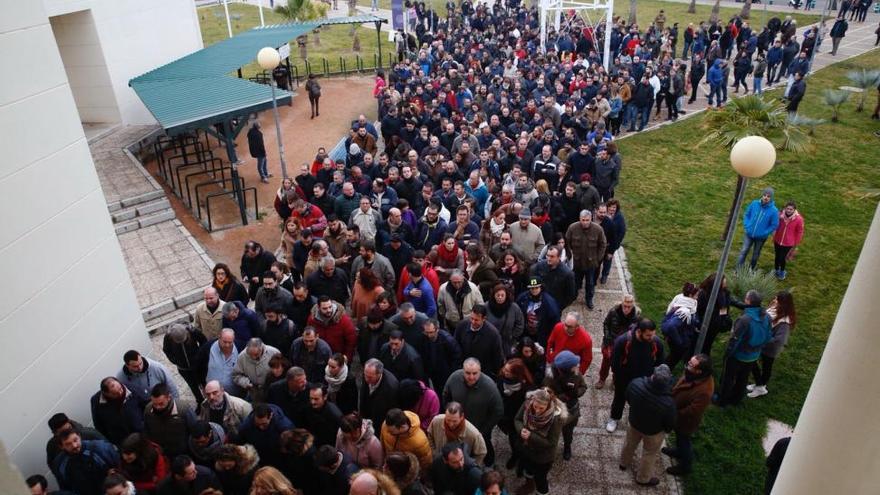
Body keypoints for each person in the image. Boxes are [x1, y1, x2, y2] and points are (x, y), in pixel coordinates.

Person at [619, 364, 677, 487]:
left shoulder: (636, 384)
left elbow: (628, 397)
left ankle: (623, 463)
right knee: (649, 454)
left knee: (629, 444)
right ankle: (643, 478)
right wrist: (666, 430)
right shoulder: (668, 403)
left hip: (634, 423)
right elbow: (669, 423)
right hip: (653, 432)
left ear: (653, 374)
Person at [443, 358, 504, 468]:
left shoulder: (489, 387)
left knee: (484, 445)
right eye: (467, 373)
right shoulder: (454, 378)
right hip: (458, 425)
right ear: (463, 370)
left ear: (480, 371)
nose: (471, 377)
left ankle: (490, 464)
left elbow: (498, 411)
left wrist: (484, 429)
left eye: (475, 373)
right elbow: (446, 395)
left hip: (480, 428)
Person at [607, 318, 665, 433]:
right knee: (619, 398)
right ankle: (614, 418)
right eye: (648, 335)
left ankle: (635, 421)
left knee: (640, 401)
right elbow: (614, 362)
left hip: (645, 380)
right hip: (624, 379)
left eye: (653, 334)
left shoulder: (656, 343)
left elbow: (660, 361)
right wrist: (617, 377)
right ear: (639, 332)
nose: (652, 337)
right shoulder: (623, 341)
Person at [718, 290, 772, 407]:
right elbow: (768, 336)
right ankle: (736, 399)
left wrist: (728, 354)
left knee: (728, 378)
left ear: (748, 301)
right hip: (753, 356)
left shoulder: (744, 320)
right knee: (743, 379)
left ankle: (722, 400)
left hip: (739, 355)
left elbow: (735, 340)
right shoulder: (767, 317)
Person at [664, 354, 715, 476]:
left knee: (684, 440)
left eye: (691, 365)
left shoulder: (704, 391)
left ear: (699, 371)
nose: (687, 366)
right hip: (678, 415)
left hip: (685, 421)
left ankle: (685, 466)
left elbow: (693, 411)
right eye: (689, 362)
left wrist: (674, 413)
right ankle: (678, 452)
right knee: (679, 438)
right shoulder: (693, 374)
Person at [513, 388, 567, 495]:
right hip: (526, 448)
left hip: (543, 456)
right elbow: (517, 419)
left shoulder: (555, 419)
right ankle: (529, 485)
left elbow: (551, 442)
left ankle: (541, 492)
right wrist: (521, 430)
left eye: (541, 408)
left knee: (540, 478)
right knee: (527, 468)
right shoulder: (528, 404)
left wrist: (531, 436)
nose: (537, 411)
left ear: (548, 405)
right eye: (535, 406)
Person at [748, 291, 796, 398]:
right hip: (763, 343)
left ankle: (761, 387)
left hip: (770, 348)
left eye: (777, 300)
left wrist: (763, 338)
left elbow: (780, 340)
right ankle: (759, 383)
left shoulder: (784, 322)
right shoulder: (775, 309)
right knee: (755, 362)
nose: (774, 301)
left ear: (783, 304)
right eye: (775, 298)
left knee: (765, 366)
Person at [544, 350, 587, 461]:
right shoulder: (550, 376)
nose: (577, 366)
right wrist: (563, 397)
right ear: (565, 369)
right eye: (574, 365)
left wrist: (576, 393)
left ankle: (567, 446)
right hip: (556, 410)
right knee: (553, 432)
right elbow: (547, 393)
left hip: (572, 409)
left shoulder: (576, 372)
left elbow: (583, 386)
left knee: (568, 431)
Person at [49, 428, 119, 495]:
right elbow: (65, 489)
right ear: (61, 446)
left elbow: (119, 467)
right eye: (68, 444)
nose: (74, 445)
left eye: (75, 440)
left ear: (79, 436)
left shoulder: (100, 449)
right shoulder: (59, 464)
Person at [565, 209, 607, 309]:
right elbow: (567, 243)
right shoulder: (572, 228)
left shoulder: (598, 229)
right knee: (575, 282)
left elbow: (603, 244)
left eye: (587, 220)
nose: (585, 222)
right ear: (579, 219)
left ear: (591, 219)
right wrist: (569, 257)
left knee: (590, 283)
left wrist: (598, 259)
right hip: (576, 262)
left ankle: (589, 300)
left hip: (591, 263)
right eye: (583, 220)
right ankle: (572, 297)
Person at [598, 294, 641, 389]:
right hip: (611, 341)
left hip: (624, 345)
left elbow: (637, 331)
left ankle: (614, 380)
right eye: (624, 306)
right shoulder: (614, 311)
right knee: (606, 362)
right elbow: (606, 323)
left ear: (632, 306)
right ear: (622, 304)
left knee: (620, 364)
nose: (626, 309)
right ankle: (602, 379)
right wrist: (607, 336)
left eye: (629, 307)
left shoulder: (636, 316)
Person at [143, 383, 195, 459]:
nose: (157, 407)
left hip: (183, 453)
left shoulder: (184, 409)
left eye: (161, 404)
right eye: (154, 404)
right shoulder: (148, 410)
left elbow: (194, 429)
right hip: (161, 454)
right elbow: (146, 430)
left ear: (169, 397)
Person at [453, 304, 505, 378]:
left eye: (476, 320)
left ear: (484, 319)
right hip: (464, 369)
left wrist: (495, 374)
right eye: (472, 318)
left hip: (483, 372)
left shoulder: (493, 334)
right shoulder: (462, 326)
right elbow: (455, 347)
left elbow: (497, 356)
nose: (473, 322)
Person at [90, 377, 145, 446]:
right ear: (106, 394)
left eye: (120, 389)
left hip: (141, 435)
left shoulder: (132, 388)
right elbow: (98, 425)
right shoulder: (96, 401)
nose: (120, 393)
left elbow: (145, 405)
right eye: (115, 394)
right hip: (121, 442)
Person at [237, 403, 294, 468]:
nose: (261, 427)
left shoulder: (285, 427)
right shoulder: (246, 427)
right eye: (258, 424)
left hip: (281, 459)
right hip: (261, 459)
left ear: (271, 416)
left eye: (264, 424)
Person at [737, 187, 780, 269]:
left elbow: (774, 225)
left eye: (768, 196)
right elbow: (747, 214)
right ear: (762, 195)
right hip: (749, 234)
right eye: (764, 195)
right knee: (743, 251)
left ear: (771, 198)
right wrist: (747, 225)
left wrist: (764, 232)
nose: (766, 197)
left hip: (761, 238)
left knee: (755, 254)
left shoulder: (774, 210)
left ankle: (751, 270)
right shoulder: (754, 203)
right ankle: (738, 269)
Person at [662, 283, 700, 369]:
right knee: (673, 358)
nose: (697, 297)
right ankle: (663, 373)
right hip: (678, 338)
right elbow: (671, 326)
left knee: (673, 356)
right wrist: (680, 343)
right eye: (696, 295)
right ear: (690, 295)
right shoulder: (684, 312)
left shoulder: (680, 299)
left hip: (678, 335)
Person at [515, 276, 561, 347]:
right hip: (525, 333)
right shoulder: (522, 298)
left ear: (541, 287)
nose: (534, 290)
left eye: (536, 288)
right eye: (532, 288)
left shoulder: (549, 302)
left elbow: (555, 320)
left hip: (542, 334)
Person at [308, 296, 357, 362]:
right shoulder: (312, 320)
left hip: (338, 358)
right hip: (319, 357)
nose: (329, 310)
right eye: (325, 308)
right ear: (319, 308)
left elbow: (351, 340)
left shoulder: (344, 320)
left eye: (330, 307)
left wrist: (346, 357)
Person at [232, 338, 280, 403]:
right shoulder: (242, 356)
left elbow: (282, 370)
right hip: (253, 391)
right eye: (250, 355)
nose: (253, 357)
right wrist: (246, 383)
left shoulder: (274, 352)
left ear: (261, 349)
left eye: (256, 355)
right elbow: (236, 375)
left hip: (272, 389)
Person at [528, 245, 576, 310]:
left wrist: (559, 306)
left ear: (559, 257)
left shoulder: (567, 274)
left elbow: (571, 295)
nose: (549, 258)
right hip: (539, 304)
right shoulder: (540, 266)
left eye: (552, 256)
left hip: (555, 306)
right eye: (547, 255)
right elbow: (532, 279)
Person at [486, 283, 525, 357]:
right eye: (498, 295)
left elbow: (520, 323)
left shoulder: (514, 307)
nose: (500, 297)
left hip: (508, 343)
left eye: (502, 295)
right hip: (491, 342)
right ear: (494, 295)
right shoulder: (486, 307)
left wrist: (512, 335)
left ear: (506, 295)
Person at [360, 359, 400, 428]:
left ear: (379, 374)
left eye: (370, 377)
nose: (366, 379)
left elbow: (390, 412)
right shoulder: (368, 373)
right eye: (365, 375)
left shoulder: (391, 388)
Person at [155, 455, 223, 495]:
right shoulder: (163, 488)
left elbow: (220, 491)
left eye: (194, 468)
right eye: (191, 473)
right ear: (178, 476)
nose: (196, 472)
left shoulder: (207, 474)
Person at [302, 383, 344, 447]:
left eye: (316, 399)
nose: (312, 402)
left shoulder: (334, 415)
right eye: (311, 398)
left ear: (325, 397)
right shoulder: (308, 407)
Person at [772, 201, 805, 280]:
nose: (789, 210)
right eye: (787, 209)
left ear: (794, 210)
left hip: (788, 243)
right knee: (777, 256)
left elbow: (800, 231)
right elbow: (775, 223)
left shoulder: (799, 219)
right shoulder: (780, 216)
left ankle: (782, 272)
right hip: (778, 239)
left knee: (783, 258)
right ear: (785, 208)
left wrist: (796, 242)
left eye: (791, 209)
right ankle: (776, 270)